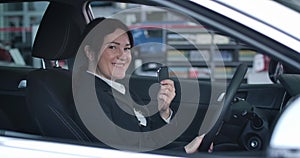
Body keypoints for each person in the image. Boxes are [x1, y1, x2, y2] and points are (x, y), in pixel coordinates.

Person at [72, 17, 211, 154]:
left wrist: (163, 111)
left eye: (126, 48)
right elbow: (124, 153)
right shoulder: (91, 99)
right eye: (112, 47)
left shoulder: (115, 86)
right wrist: (185, 152)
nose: (123, 56)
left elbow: (146, 136)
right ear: (90, 53)